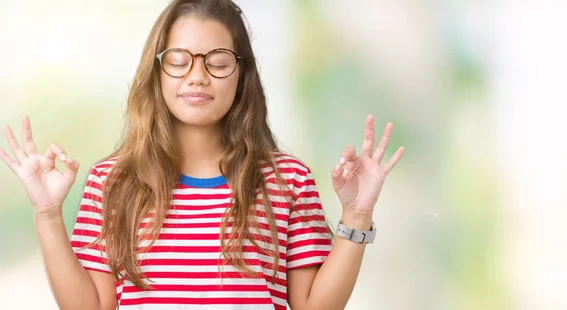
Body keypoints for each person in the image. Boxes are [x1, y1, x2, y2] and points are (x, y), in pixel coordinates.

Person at [0, 0, 404, 309]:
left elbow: (313, 306)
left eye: (218, 62)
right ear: (156, 72)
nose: (197, 75)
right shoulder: (112, 181)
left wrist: (357, 215)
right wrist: (48, 215)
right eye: (178, 61)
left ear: (242, 75)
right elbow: (91, 306)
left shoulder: (287, 179)